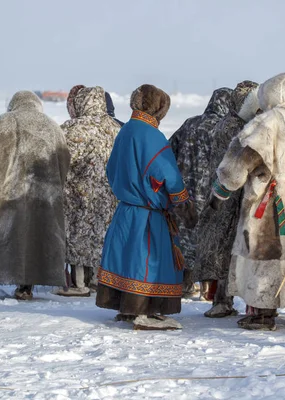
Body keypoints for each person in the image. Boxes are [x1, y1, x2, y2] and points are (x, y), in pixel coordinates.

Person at [209, 73, 285, 330]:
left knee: (265, 253)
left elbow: (239, 161)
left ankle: (261, 312)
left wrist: (221, 190)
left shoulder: (266, 122)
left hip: (272, 203)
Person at [96, 84, 198, 330]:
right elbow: (168, 175)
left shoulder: (126, 130)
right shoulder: (152, 136)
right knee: (147, 262)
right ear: (160, 108)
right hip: (147, 214)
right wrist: (184, 205)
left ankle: (127, 307)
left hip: (126, 210)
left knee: (126, 259)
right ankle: (146, 310)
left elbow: (111, 171)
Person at [0, 91, 70, 300]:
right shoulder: (52, 127)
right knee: (33, 240)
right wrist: (56, 189)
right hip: (42, 197)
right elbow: (64, 161)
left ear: (13, 105)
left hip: (4, 196)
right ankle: (25, 288)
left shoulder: (2, 123)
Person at [194, 81, 260, 317]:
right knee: (229, 249)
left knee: (227, 248)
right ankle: (223, 300)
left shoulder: (228, 123)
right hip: (230, 196)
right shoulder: (235, 127)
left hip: (224, 194)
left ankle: (224, 300)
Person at [55, 86, 120, 297]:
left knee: (77, 236)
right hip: (110, 195)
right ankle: (99, 280)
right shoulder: (116, 128)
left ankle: (78, 283)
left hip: (77, 195)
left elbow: (57, 161)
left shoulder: (73, 129)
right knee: (101, 236)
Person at [169, 88, 233, 299]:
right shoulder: (226, 128)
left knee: (185, 237)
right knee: (210, 241)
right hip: (214, 195)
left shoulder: (189, 123)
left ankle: (184, 284)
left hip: (184, 193)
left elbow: (170, 149)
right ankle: (209, 288)